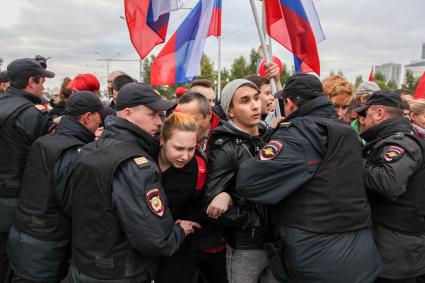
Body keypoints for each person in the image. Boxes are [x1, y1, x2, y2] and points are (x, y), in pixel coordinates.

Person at [235, 73, 382, 283]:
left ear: (290, 103)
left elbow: (249, 182)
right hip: (360, 253)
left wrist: (271, 138)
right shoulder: (346, 131)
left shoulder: (299, 133)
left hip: (317, 255)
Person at [68, 82, 200, 282]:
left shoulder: (90, 149)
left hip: (84, 265)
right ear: (128, 113)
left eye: (161, 115)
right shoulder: (137, 165)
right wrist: (180, 231)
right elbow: (156, 241)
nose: (159, 122)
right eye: (153, 114)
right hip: (121, 271)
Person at [7, 91, 104, 283]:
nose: (99, 125)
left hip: (24, 234)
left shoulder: (44, 141)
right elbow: (72, 205)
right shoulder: (74, 152)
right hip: (46, 244)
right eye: (98, 120)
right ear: (87, 117)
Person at [202, 79, 276, 283]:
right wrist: (254, 222)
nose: (254, 105)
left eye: (256, 98)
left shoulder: (269, 137)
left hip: (277, 242)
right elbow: (211, 206)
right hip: (247, 247)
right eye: (245, 101)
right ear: (230, 111)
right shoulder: (225, 147)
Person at [358, 91, 425, 282]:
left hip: (399, 257)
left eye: (366, 113)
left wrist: (354, 161)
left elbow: (388, 183)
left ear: (379, 113)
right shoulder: (388, 140)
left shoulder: (400, 142)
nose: (362, 119)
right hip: (393, 247)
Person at [0, 58, 55, 280]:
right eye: (41, 81)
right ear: (31, 82)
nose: (43, 86)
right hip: (17, 200)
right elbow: (44, 162)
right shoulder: (33, 114)